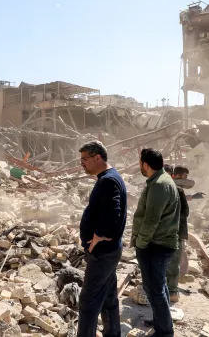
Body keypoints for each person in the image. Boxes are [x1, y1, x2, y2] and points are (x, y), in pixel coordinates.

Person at [77, 141, 127, 337]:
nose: (82, 163)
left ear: (97, 157)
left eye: (84, 159)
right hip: (110, 251)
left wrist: (97, 237)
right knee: (108, 297)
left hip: (103, 253)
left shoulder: (108, 180)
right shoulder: (110, 178)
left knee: (88, 302)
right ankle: (113, 333)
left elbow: (114, 214)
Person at [132, 149, 181, 337]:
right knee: (160, 287)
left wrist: (141, 243)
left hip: (156, 245)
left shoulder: (160, 185)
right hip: (158, 243)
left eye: (140, 163)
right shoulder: (161, 181)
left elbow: (151, 220)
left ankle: (164, 331)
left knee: (155, 288)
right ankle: (161, 320)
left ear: (145, 165)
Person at [162, 165, 191, 304]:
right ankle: (166, 290)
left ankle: (171, 291)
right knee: (164, 262)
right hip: (165, 233)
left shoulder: (177, 191)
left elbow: (185, 212)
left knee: (171, 263)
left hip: (173, 233)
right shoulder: (157, 191)